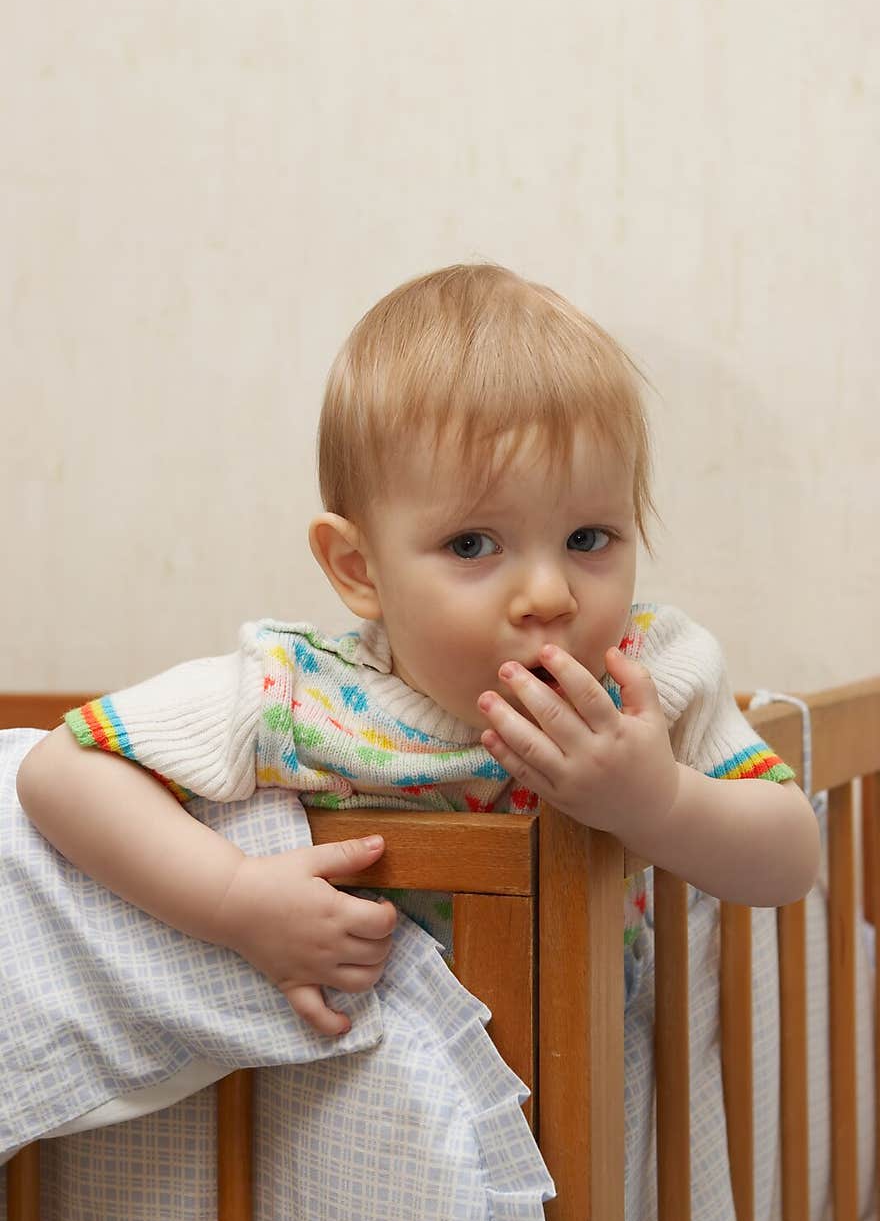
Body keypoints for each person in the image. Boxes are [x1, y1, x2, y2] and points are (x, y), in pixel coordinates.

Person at [16, 262, 821, 1038]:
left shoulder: (649, 673)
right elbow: (61, 770)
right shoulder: (303, 695)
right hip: (386, 1104)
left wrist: (657, 803)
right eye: (473, 543)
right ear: (359, 570)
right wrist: (235, 902)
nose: (549, 593)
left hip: (596, 1081)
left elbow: (788, 857)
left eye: (588, 537)